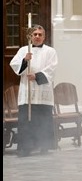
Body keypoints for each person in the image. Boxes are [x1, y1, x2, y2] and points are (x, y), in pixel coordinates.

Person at [10, 24, 58, 157]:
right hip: (28, 91)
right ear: (31, 36)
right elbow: (14, 64)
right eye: (35, 34)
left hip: (43, 91)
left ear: (44, 36)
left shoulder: (50, 51)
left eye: (40, 34)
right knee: (26, 119)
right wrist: (25, 60)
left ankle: (44, 145)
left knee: (43, 118)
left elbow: (52, 68)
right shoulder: (23, 50)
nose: (37, 36)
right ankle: (26, 147)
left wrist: (37, 76)